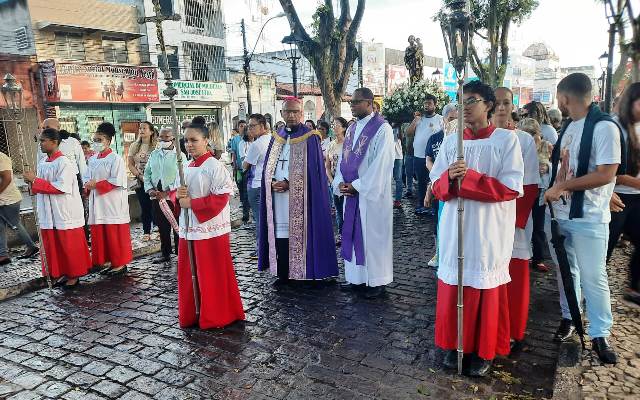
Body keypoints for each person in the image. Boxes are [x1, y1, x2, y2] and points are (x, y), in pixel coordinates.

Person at [430, 80, 524, 377]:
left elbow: (511, 187)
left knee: (482, 283)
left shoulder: (506, 141)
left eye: (471, 100)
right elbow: (436, 185)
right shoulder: (450, 141)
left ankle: (483, 351)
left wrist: (468, 179)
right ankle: (452, 344)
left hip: (487, 229)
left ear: (488, 104)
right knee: (453, 283)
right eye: (460, 101)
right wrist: (448, 179)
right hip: (455, 228)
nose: (464, 108)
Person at [544, 72, 621, 364]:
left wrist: (563, 186)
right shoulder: (570, 127)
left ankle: (600, 332)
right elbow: (580, 168)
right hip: (562, 212)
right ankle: (569, 317)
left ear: (564, 98)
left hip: (589, 216)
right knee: (567, 272)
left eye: (559, 98)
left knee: (593, 276)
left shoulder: (604, 127)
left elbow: (605, 173)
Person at [258, 97, 339, 283]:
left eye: (296, 112)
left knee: (303, 234)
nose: (292, 115)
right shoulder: (276, 138)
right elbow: (267, 167)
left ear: (302, 113)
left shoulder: (310, 138)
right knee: (280, 235)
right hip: (277, 199)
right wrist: (269, 182)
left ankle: (304, 272)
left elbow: (314, 172)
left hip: (302, 199)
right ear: (282, 113)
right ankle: (283, 272)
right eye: (288, 112)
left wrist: (289, 182)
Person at [176, 124, 245, 329]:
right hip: (189, 228)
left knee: (211, 274)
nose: (189, 145)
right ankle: (193, 313)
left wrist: (193, 204)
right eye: (186, 141)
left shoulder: (215, 166)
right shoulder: (186, 166)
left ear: (206, 141)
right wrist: (177, 195)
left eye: (194, 140)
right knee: (190, 273)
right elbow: (176, 194)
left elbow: (221, 199)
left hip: (210, 230)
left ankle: (216, 314)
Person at [333, 88, 394, 298]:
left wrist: (358, 185)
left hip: (371, 197)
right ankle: (356, 279)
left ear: (369, 103)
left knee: (372, 238)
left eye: (357, 102)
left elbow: (382, 164)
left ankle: (377, 281)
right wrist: (341, 182)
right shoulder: (350, 129)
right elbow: (344, 159)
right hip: (352, 194)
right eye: (351, 102)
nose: (352, 105)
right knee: (351, 234)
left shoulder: (382, 129)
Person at [493, 88, 540, 351]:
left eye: (506, 103)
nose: (501, 108)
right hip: (488, 221)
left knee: (515, 275)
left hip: (513, 222)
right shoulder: (482, 138)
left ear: (513, 106)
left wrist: (515, 220)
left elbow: (530, 184)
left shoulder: (523, 140)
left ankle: (513, 329)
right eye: (497, 103)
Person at [23, 129, 91, 289]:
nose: (41, 144)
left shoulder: (64, 163)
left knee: (68, 245)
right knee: (54, 245)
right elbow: (40, 186)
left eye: (43, 140)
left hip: (64, 210)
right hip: (49, 211)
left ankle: (74, 275)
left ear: (54, 142)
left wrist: (36, 181)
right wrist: (32, 184)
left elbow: (61, 187)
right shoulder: (42, 163)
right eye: (40, 140)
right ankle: (60, 272)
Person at [84, 122, 133, 276]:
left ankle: (120, 263)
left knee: (114, 234)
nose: (96, 143)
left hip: (112, 202)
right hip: (97, 202)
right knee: (102, 234)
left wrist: (96, 185)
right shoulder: (92, 159)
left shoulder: (115, 159)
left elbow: (117, 180)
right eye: (94, 140)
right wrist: (87, 185)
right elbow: (86, 177)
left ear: (108, 141)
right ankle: (109, 261)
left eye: (99, 140)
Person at [607, 82, 640, 306]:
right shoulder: (614, 127)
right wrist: (630, 180)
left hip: (637, 197)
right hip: (615, 196)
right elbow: (603, 172)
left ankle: (633, 287)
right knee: (604, 247)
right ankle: (584, 290)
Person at [144, 127, 185, 264]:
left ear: (173, 138)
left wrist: (168, 192)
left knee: (177, 225)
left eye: (166, 138)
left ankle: (181, 252)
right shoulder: (154, 154)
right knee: (162, 226)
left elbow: (182, 177)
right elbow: (147, 174)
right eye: (160, 137)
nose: (162, 140)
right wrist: (150, 189)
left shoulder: (180, 156)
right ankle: (165, 253)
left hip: (173, 197)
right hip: (157, 196)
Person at [424, 103, 458, 268]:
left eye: (456, 119)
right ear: (443, 119)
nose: (453, 123)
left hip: (455, 187)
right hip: (439, 184)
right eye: (450, 119)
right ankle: (439, 252)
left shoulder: (462, 139)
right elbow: (429, 160)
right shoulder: (435, 138)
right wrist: (437, 177)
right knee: (438, 221)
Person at [518, 118, 553, 272]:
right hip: (524, 188)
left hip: (540, 189)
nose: (531, 137)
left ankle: (538, 258)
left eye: (533, 133)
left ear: (539, 133)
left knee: (538, 225)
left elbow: (557, 167)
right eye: (527, 133)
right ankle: (525, 255)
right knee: (523, 223)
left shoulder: (547, 146)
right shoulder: (517, 145)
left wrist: (548, 168)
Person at [406, 95, 444, 214]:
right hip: (418, 156)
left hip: (434, 158)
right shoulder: (419, 119)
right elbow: (408, 133)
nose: (426, 106)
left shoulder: (440, 119)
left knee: (433, 181)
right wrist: (415, 121)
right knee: (421, 182)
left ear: (435, 105)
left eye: (429, 103)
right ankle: (422, 205)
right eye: (425, 103)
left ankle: (433, 206)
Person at [0, 152, 39, 264]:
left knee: (15, 224)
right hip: (3, 200)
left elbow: (7, 178)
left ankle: (31, 246)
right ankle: (2, 254)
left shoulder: (1, 157)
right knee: (1, 226)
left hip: (9, 199)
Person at [243, 114, 271, 259]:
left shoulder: (257, 144)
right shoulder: (273, 139)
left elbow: (245, 165)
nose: (250, 129)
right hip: (268, 183)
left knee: (259, 219)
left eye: (252, 126)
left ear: (262, 126)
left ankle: (261, 249)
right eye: (249, 126)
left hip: (256, 184)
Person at [128, 121, 157, 241]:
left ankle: (157, 228)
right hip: (140, 181)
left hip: (155, 181)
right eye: (140, 128)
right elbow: (130, 164)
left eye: (144, 128)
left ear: (151, 131)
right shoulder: (134, 146)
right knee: (144, 206)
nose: (141, 130)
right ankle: (146, 231)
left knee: (155, 206)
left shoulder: (157, 145)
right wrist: (139, 175)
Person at [326, 117, 347, 244]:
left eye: (337, 125)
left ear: (344, 128)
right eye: (333, 124)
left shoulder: (348, 144)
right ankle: (341, 234)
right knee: (339, 210)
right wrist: (332, 181)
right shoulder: (330, 145)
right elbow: (327, 166)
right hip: (334, 183)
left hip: (346, 182)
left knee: (348, 209)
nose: (334, 127)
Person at [392, 122, 404, 209]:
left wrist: (398, 126)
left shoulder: (399, 126)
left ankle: (398, 200)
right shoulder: (384, 124)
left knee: (398, 178)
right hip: (387, 155)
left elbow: (401, 138)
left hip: (398, 156)